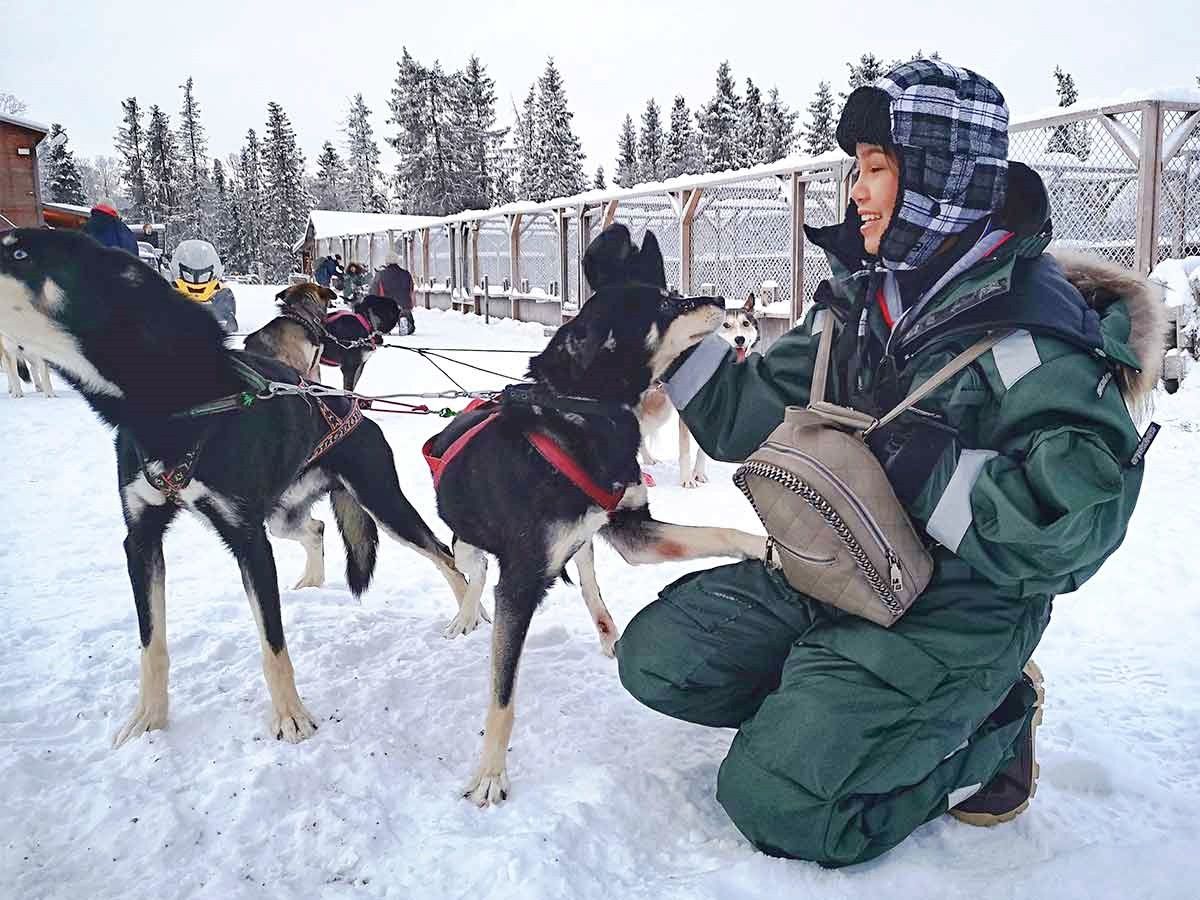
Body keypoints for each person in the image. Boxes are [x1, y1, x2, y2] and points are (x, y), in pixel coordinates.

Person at [616, 59, 1163, 867]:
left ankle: (989, 732)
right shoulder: (864, 302)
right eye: (856, 170)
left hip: (957, 610)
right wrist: (667, 335)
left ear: (943, 180)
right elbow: (742, 418)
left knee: (778, 802)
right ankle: (846, 711)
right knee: (659, 659)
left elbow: (1068, 531)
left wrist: (923, 466)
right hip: (840, 569)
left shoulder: (1037, 336)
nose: (856, 193)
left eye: (877, 170)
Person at [368, 254, 417, 334]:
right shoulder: (406, 274)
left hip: (387, 304)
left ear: (387, 262)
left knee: (384, 316)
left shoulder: (380, 274)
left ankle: (385, 327)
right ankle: (405, 320)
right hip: (404, 303)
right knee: (404, 312)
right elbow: (411, 288)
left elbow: (374, 290)